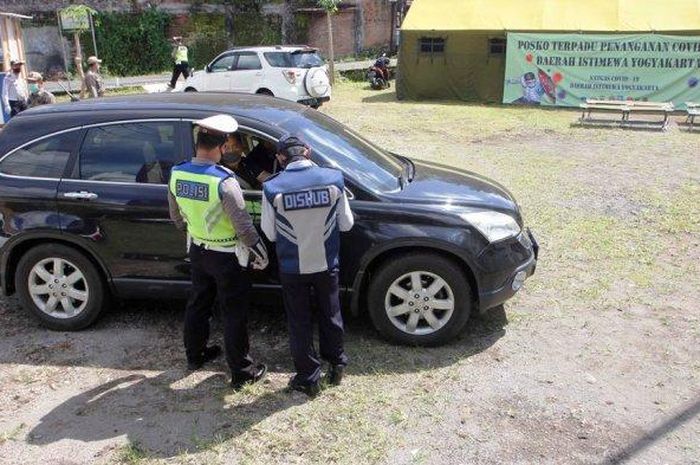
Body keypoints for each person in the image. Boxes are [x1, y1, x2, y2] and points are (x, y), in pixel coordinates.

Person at [168, 114, 269, 389]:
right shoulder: (224, 181)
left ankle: (195, 355)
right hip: (227, 256)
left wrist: (197, 231)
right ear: (222, 147)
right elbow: (244, 226)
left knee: (198, 303)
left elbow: (176, 218)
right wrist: (260, 252)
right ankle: (242, 371)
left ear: (199, 143)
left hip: (198, 250)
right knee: (233, 311)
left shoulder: (177, 172)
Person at [261, 135, 354, 397]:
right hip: (326, 263)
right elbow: (347, 224)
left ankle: (308, 377)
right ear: (308, 152)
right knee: (331, 313)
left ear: (280, 158)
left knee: (299, 321)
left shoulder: (273, 187)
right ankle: (336, 364)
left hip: (292, 267)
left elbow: (269, 234)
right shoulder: (333, 178)